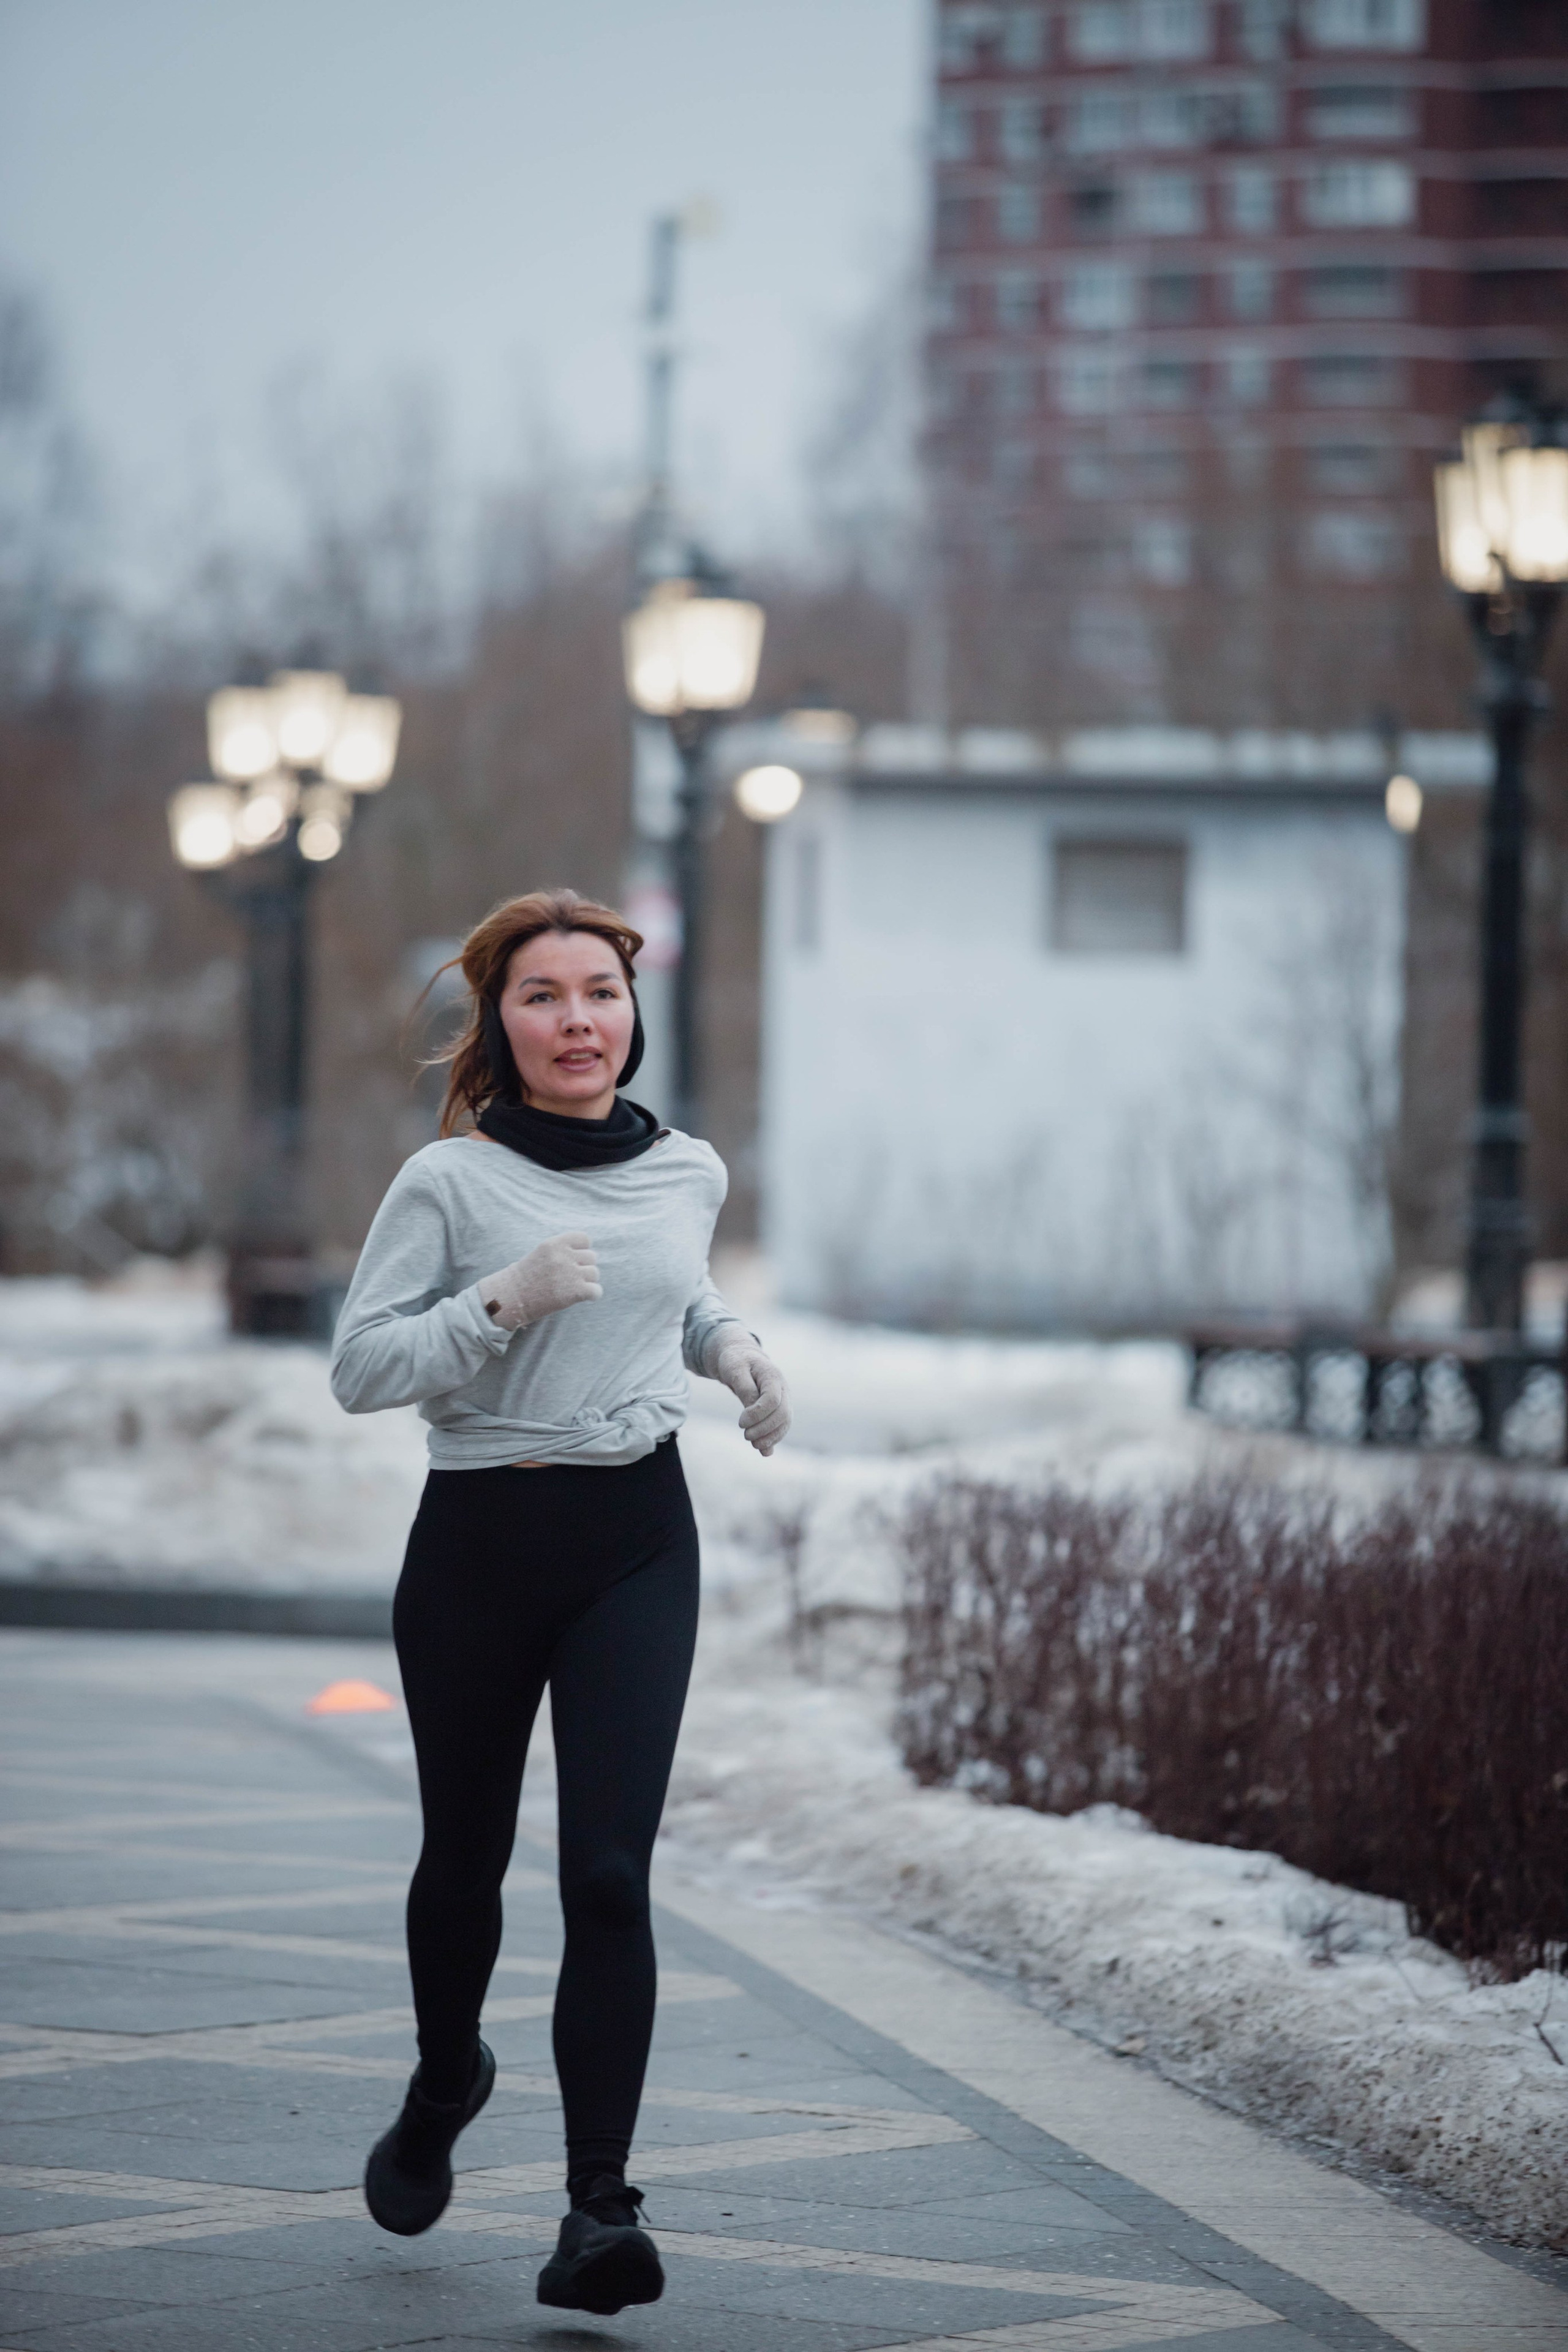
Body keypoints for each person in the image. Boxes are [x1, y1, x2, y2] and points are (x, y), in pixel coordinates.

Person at [329, 886, 790, 2316]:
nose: (576, 1020)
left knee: (606, 1871)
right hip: (477, 1539)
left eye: (598, 991)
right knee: (462, 1860)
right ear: (501, 1022)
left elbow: (676, 1291)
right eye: (542, 996)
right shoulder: (447, 1185)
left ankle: (600, 2208)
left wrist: (732, 1345)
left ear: (630, 1011)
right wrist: (499, 1305)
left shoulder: (685, 1170)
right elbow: (361, 1368)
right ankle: (444, 2075)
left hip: (633, 1536)